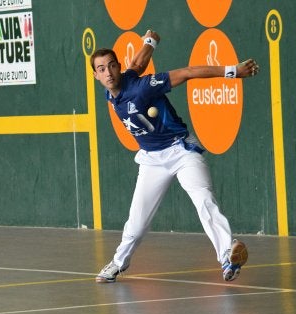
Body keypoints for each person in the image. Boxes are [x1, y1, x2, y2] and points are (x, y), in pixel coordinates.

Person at [91, 30, 258, 283]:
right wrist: (150, 42)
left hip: (181, 151)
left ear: (117, 66)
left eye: (112, 66)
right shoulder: (115, 88)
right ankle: (117, 263)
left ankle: (227, 256)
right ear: (96, 75)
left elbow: (187, 72)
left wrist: (232, 71)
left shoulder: (141, 88)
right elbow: (137, 63)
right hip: (151, 160)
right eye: (102, 69)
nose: (108, 73)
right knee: (136, 225)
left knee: (204, 201)